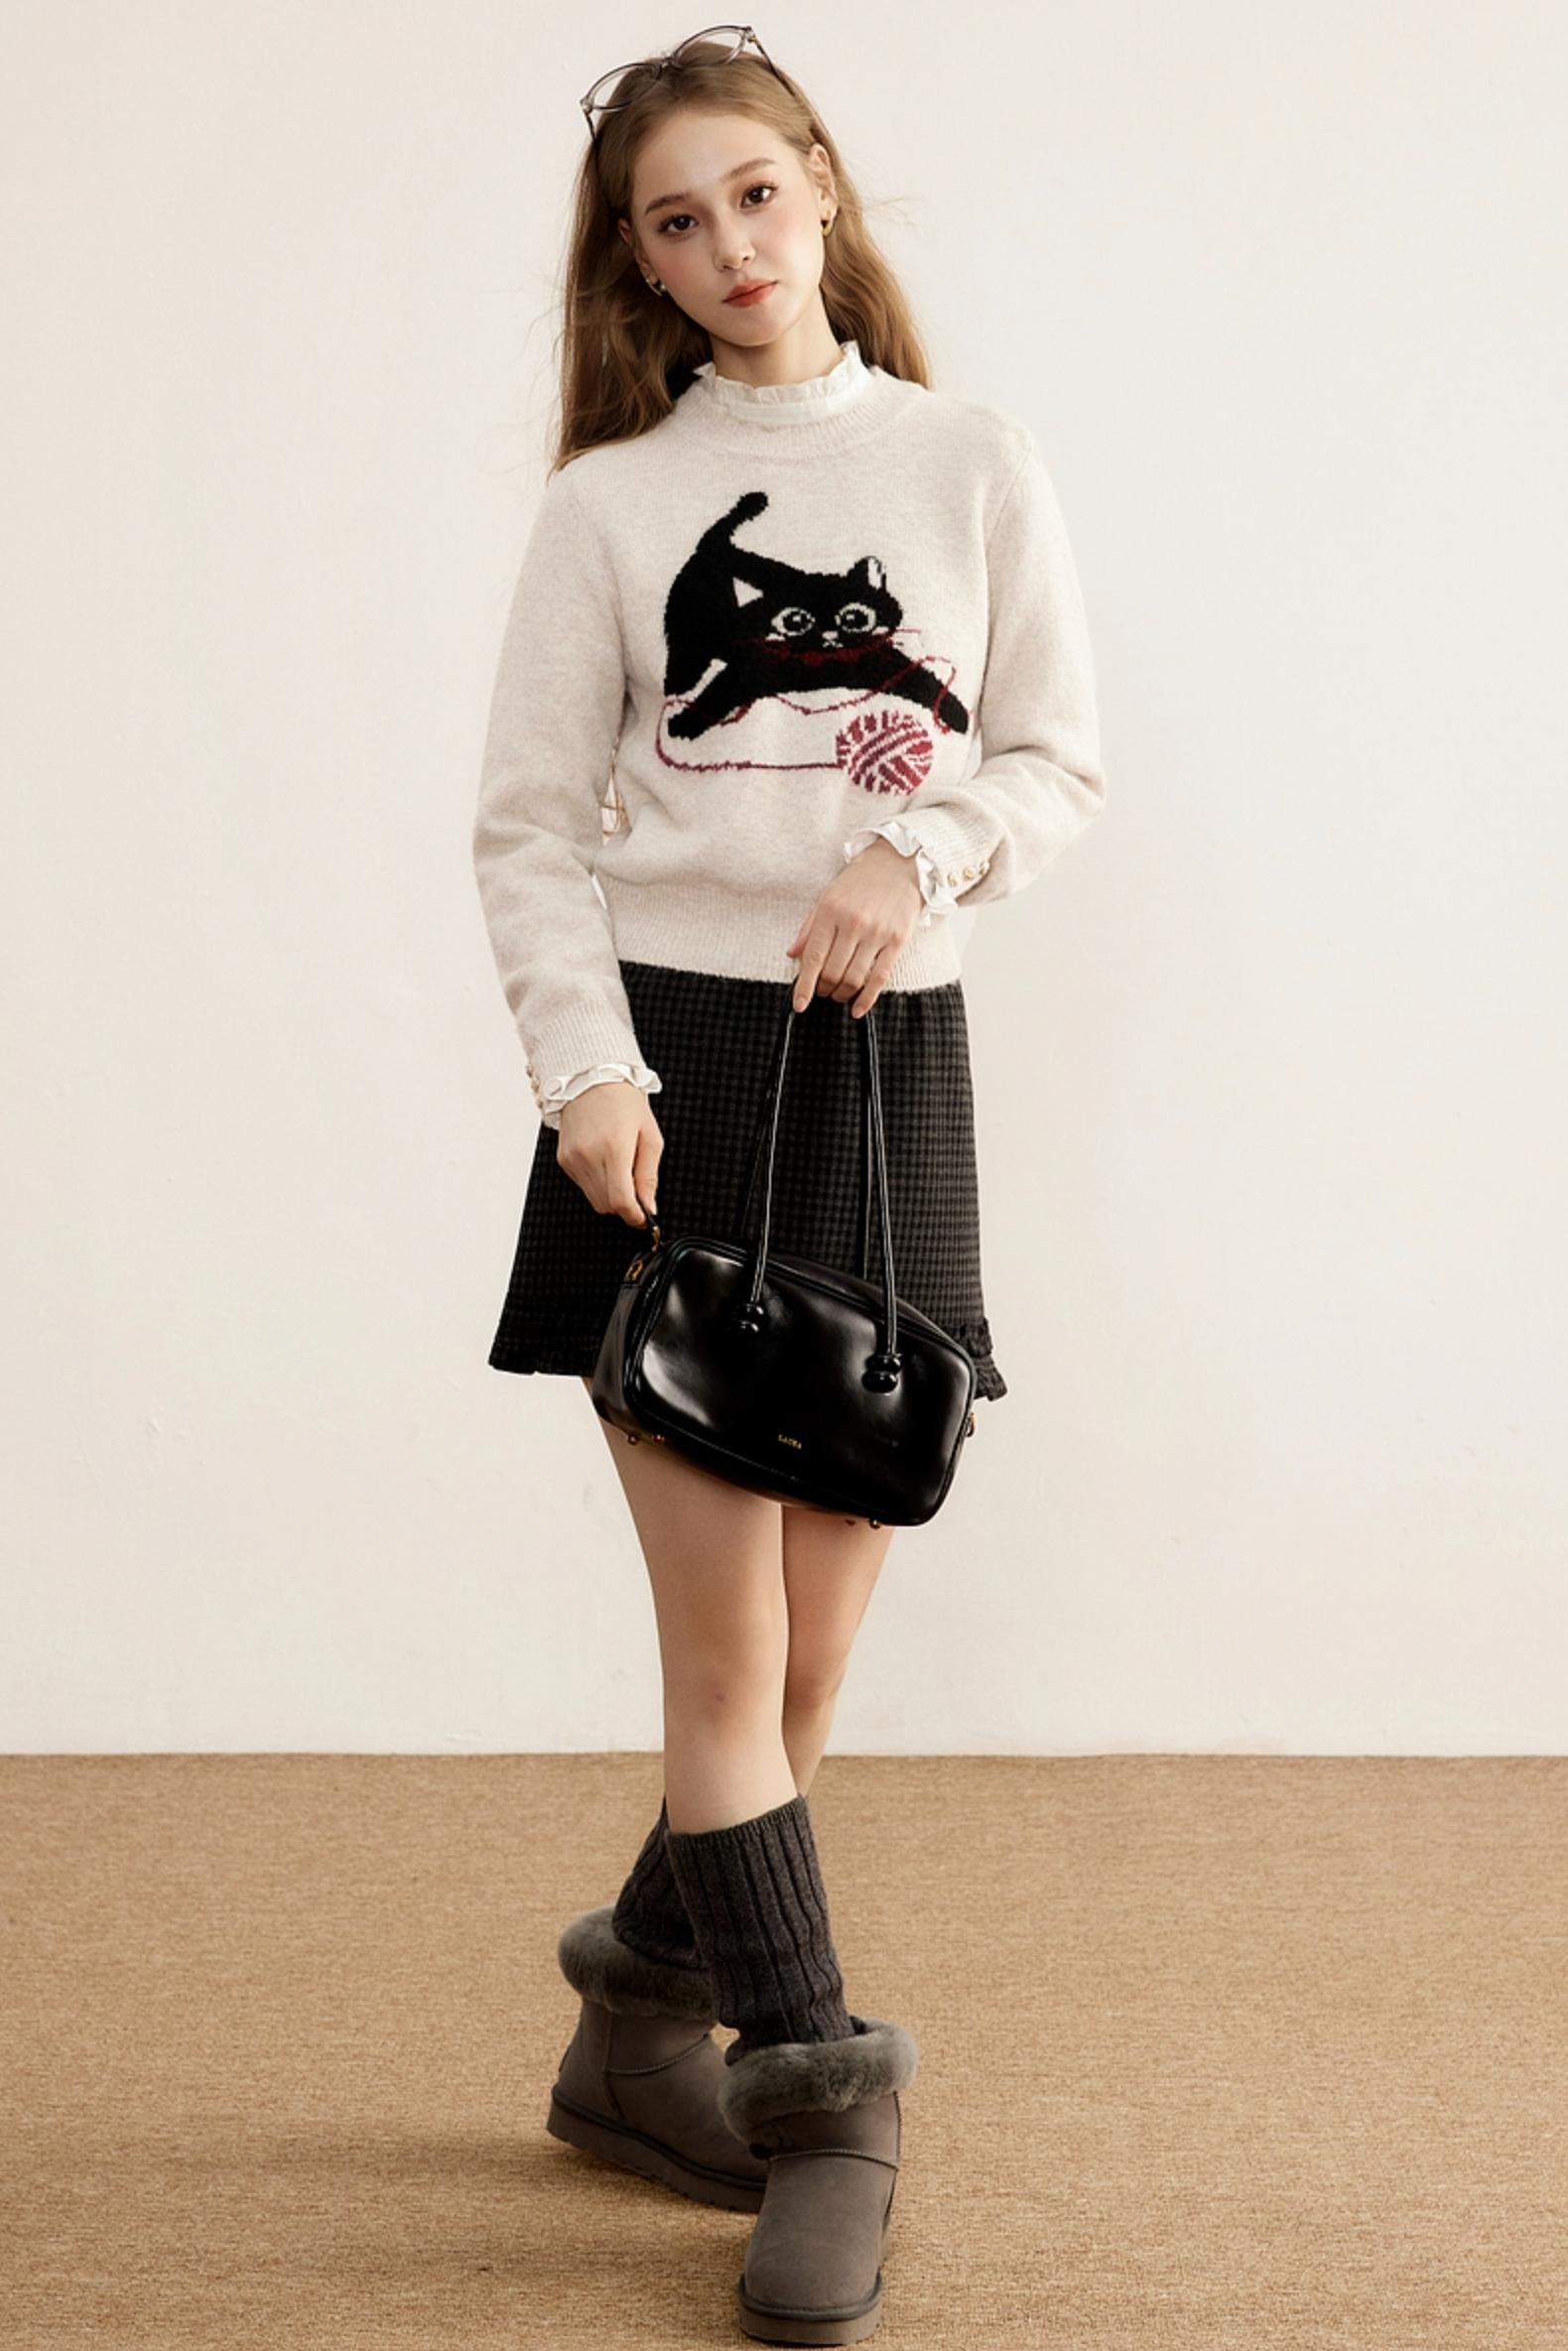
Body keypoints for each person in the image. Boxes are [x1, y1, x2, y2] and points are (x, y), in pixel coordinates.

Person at [469, 29, 1107, 2343]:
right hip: (675, 1082)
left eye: (752, 193)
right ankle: (821, 2095)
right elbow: (528, 828)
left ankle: (633, 2028)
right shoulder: (610, 508)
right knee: (730, 1662)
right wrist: (585, 1073)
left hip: (883, 1082)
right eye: (675, 221)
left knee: (812, 1662)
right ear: (636, 264)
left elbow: (1052, 759)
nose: (727, 245)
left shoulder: (966, 460)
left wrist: (909, 852)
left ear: (820, 185)